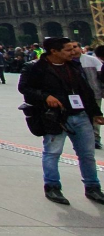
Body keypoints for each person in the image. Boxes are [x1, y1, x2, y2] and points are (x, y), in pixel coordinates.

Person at [18, 37, 104, 205]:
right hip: (53, 116)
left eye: (74, 48)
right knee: (52, 152)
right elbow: (24, 88)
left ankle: (92, 187)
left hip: (79, 115)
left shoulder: (74, 66)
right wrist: (45, 97)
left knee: (87, 154)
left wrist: (95, 112)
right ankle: (52, 187)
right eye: (68, 49)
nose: (73, 52)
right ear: (54, 51)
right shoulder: (35, 67)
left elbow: (85, 90)